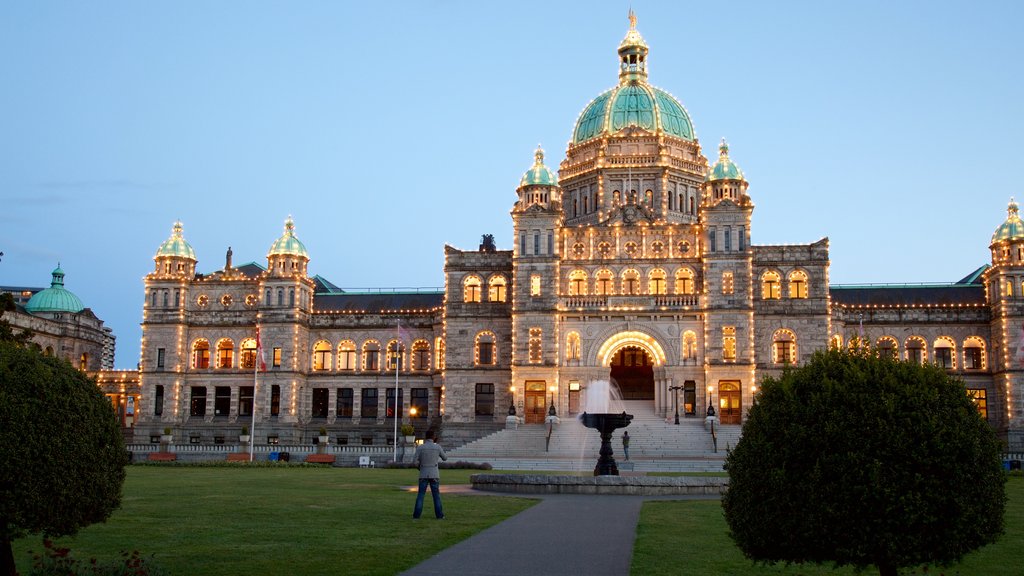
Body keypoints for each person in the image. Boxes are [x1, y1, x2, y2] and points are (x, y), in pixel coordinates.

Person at [412, 429, 447, 519]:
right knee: (436, 496)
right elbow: (445, 458)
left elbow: (414, 461)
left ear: (425, 437)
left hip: (423, 472)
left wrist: (420, 467)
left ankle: (416, 515)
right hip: (434, 473)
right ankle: (439, 515)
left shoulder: (420, 447)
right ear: (433, 437)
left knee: (421, 495)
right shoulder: (437, 447)